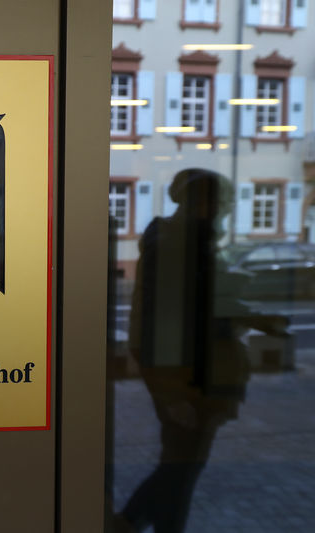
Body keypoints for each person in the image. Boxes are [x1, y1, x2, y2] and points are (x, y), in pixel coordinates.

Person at [114, 168, 286, 532]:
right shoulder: (178, 244)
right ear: (197, 202)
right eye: (218, 200)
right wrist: (171, 391)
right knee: (181, 468)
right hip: (187, 378)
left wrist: (253, 318)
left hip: (193, 374)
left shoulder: (187, 241)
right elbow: (168, 320)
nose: (223, 209)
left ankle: (133, 523)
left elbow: (198, 306)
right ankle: (127, 523)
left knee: (181, 467)